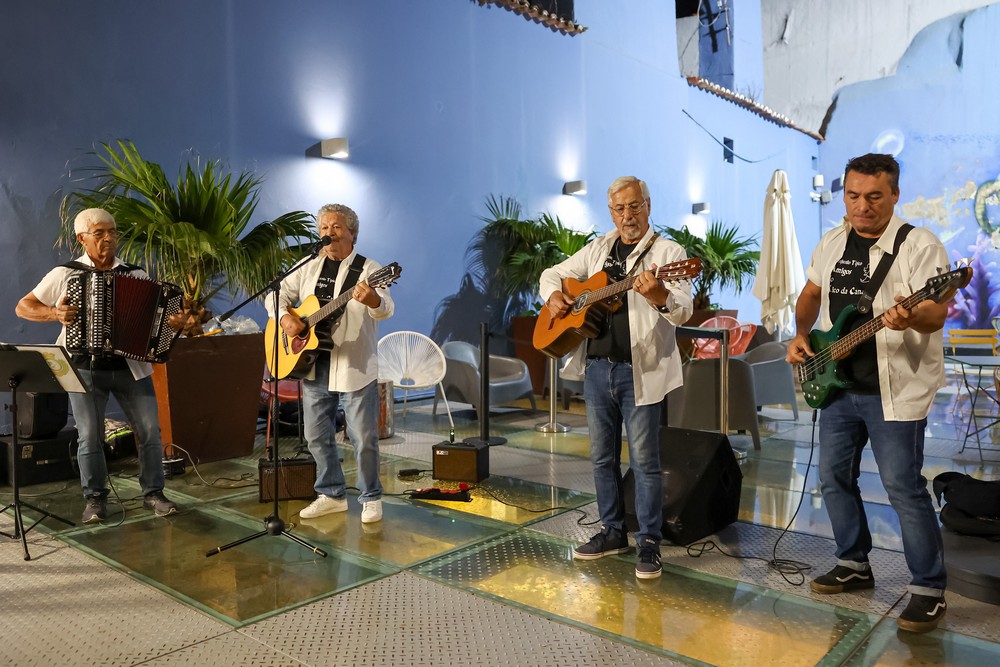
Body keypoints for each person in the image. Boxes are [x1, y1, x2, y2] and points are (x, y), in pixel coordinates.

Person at [785, 153, 950, 633]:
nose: (863, 206)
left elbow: (936, 314)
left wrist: (910, 315)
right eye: (853, 196)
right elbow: (811, 294)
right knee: (833, 479)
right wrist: (800, 334)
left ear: (895, 194)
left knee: (903, 488)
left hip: (893, 390)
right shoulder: (833, 241)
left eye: (874, 196)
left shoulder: (920, 246)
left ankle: (928, 588)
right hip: (837, 387)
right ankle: (853, 563)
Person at [539, 176, 692, 579]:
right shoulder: (599, 248)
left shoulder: (668, 252)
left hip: (641, 373)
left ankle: (650, 542)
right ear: (611, 212)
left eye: (635, 206)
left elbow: (684, 309)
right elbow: (552, 274)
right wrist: (554, 297)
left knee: (645, 462)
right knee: (602, 457)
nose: (628, 215)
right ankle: (611, 531)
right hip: (597, 370)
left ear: (648, 205)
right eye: (620, 208)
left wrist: (658, 294)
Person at [15, 208, 178, 523]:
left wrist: (174, 324)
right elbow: (24, 306)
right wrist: (54, 314)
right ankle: (95, 500)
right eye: (100, 233)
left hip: (130, 367)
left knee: (149, 431)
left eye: (112, 232)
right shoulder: (65, 274)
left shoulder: (136, 275)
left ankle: (154, 493)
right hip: (83, 367)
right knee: (89, 435)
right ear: (82, 238)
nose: (108, 238)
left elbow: (158, 324)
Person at [271, 204, 393, 524]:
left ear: (352, 233)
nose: (328, 233)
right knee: (315, 435)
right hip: (312, 362)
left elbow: (386, 308)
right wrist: (286, 319)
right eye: (323, 227)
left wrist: (373, 300)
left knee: (362, 437)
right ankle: (331, 493)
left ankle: (371, 497)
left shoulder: (370, 269)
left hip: (354, 365)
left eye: (336, 227)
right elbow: (277, 295)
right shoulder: (309, 264)